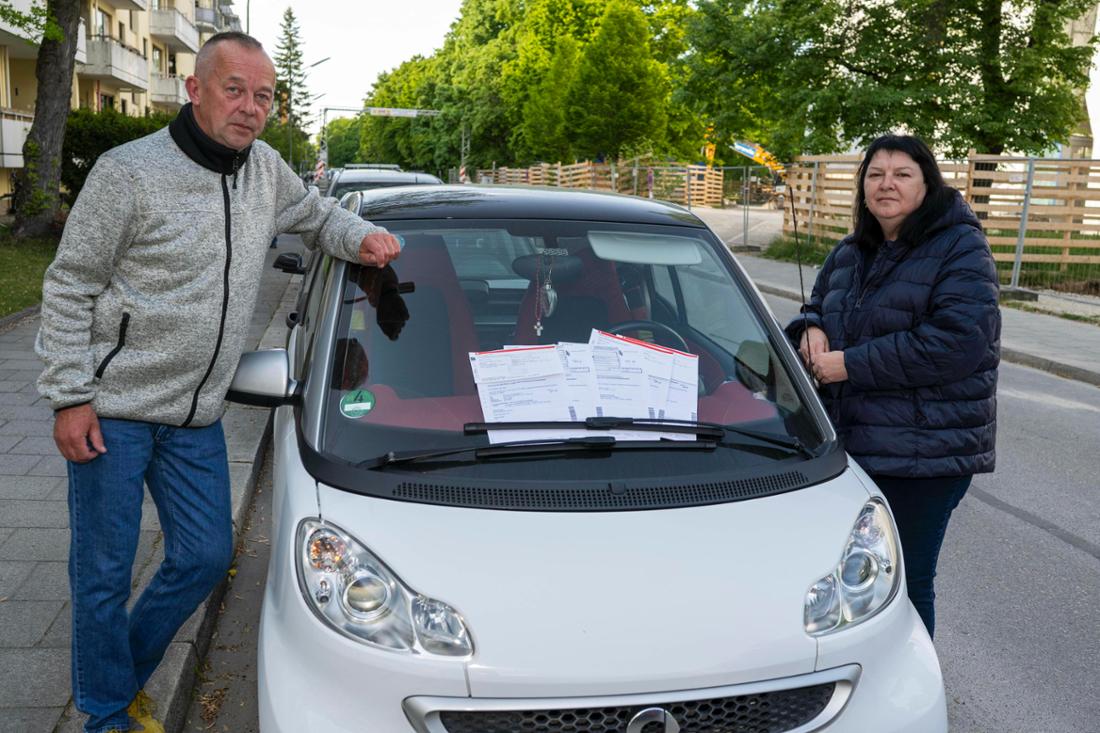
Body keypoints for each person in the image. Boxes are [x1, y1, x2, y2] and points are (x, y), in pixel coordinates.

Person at [35, 32, 400, 733]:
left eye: (263, 96)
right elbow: (69, 284)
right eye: (234, 89)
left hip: (197, 414)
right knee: (103, 573)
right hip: (114, 409)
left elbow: (316, 216)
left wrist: (361, 238)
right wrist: (71, 395)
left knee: (205, 556)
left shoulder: (264, 171)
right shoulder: (128, 173)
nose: (250, 107)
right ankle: (107, 713)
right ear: (195, 88)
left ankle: (119, 674)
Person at [785, 134, 1000, 639]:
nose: (886, 184)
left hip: (925, 452)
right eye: (875, 174)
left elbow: (956, 343)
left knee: (904, 581)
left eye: (902, 174)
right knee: (851, 583)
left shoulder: (960, 247)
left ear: (927, 183)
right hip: (852, 444)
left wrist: (849, 365)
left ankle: (912, 695)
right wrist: (809, 328)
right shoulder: (851, 251)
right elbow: (818, 306)